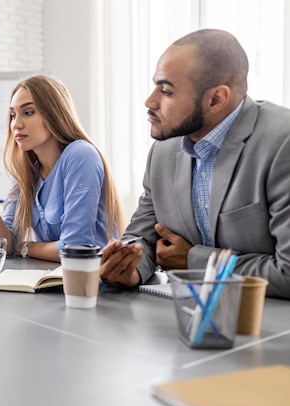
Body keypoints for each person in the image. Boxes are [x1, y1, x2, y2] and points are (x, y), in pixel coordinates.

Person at [100, 29, 290, 299]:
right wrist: (129, 267)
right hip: (183, 321)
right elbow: (142, 237)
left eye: (166, 90)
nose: (149, 101)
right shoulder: (163, 152)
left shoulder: (282, 142)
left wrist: (195, 260)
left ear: (216, 99)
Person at [0, 74, 124, 262]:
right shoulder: (26, 170)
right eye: (13, 115)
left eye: (28, 112)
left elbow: (74, 248)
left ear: (53, 113)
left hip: (94, 284)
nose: (16, 124)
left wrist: (26, 246)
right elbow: (5, 245)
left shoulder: (80, 155)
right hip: (49, 282)